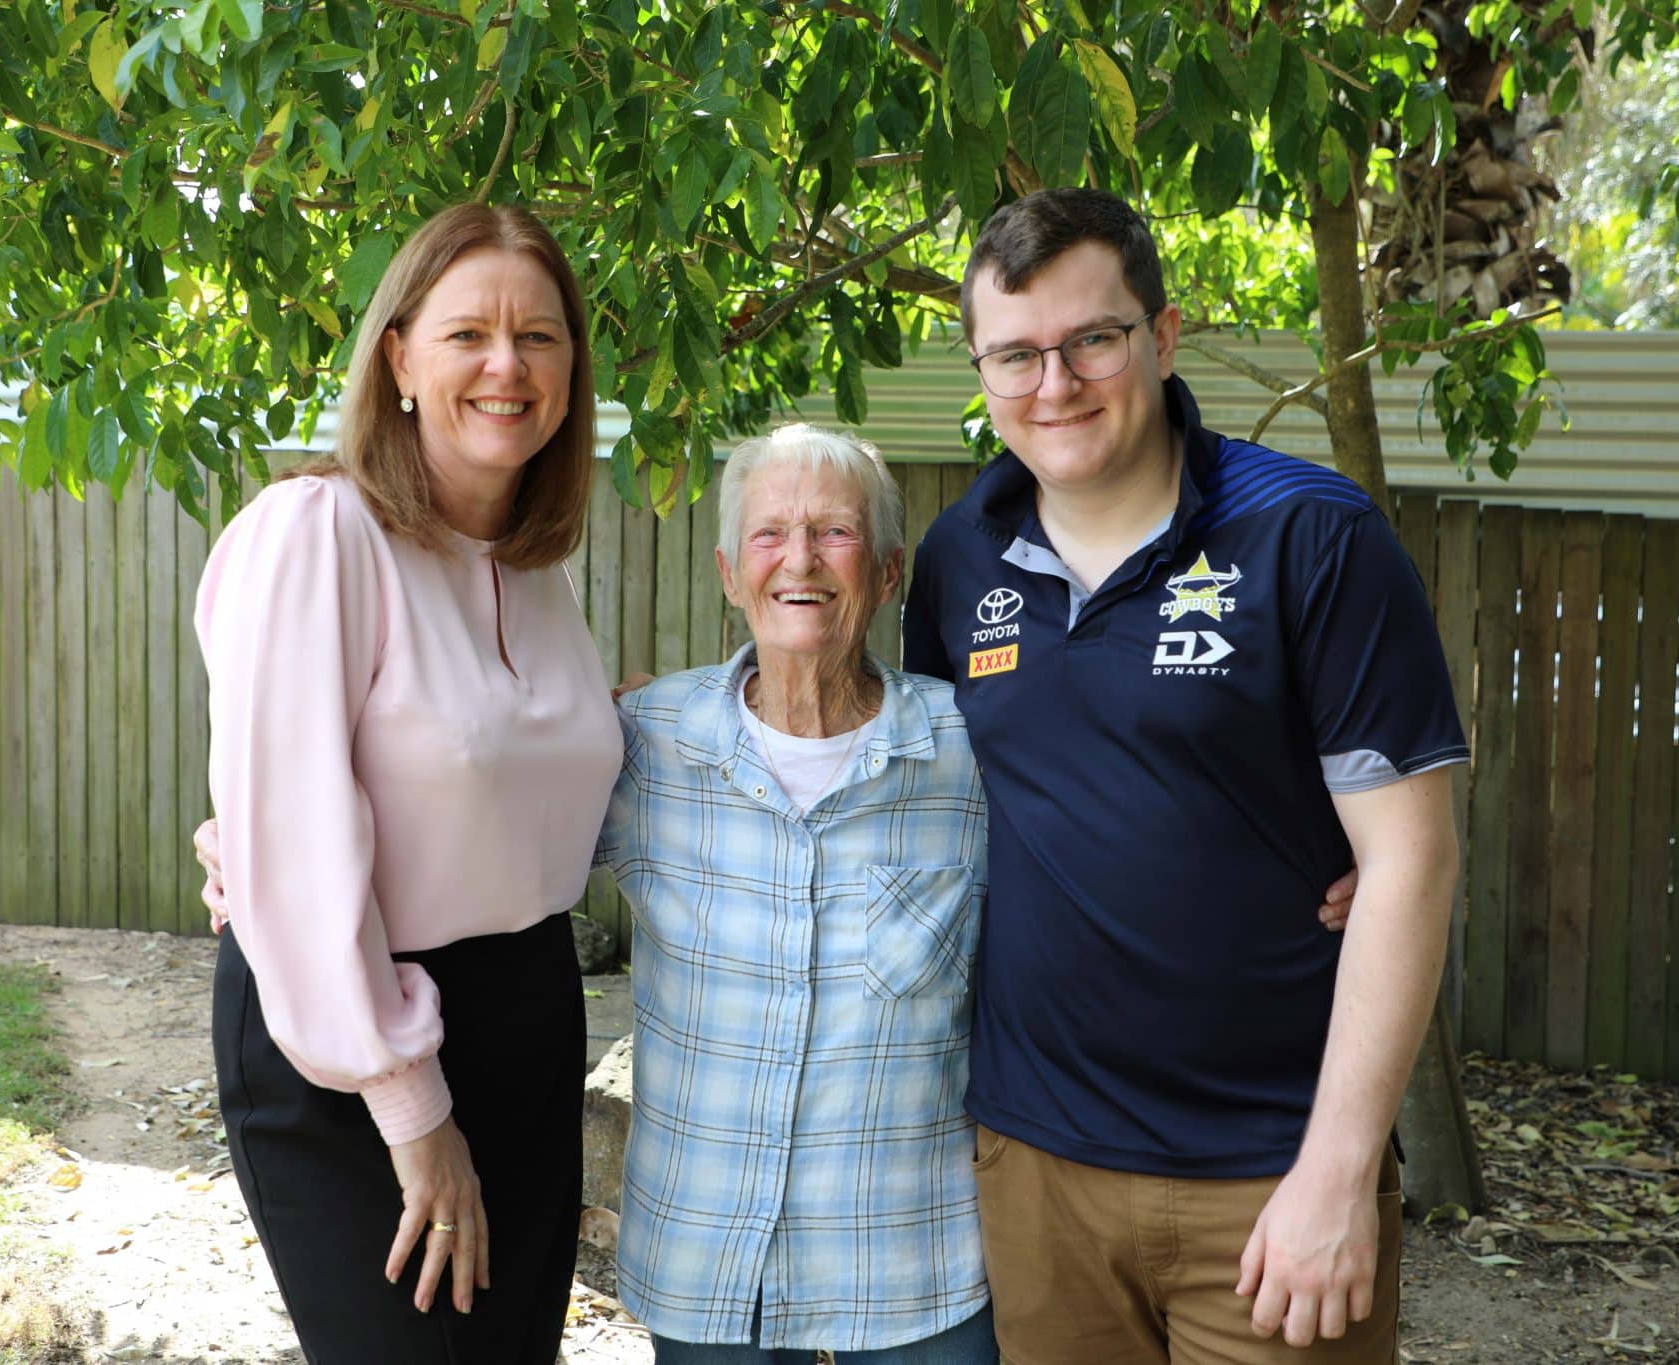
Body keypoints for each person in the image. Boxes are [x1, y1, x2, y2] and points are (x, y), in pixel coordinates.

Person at [902, 188, 1467, 1364]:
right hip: (1034, 1172)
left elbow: (1410, 855)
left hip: (1268, 1180)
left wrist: (1336, 1172)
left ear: (1158, 338)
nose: (1052, 385)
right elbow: (927, 812)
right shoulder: (960, 559)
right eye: (1013, 356)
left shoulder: (1310, 537)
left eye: (1089, 340)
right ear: (979, 370)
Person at [194, 202, 621, 1362]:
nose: (506, 364)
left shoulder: (530, 572)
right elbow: (293, 825)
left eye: (539, 337)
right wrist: (412, 1112)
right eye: (467, 333)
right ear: (397, 359)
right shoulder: (316, 534)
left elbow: (507, 780)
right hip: (354, 1038)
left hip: (527, 1015)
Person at [595, 425, 996, 1363]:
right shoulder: (642, 742)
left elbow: (1126, 839)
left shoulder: (975, 748)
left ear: (890, 573)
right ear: (734, 573)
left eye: (835, 532)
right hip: (707, 1259)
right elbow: (474, 828)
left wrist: (1317, 862)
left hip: (915, 1269)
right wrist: (257, 847)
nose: (801, 559)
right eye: (772, 534)